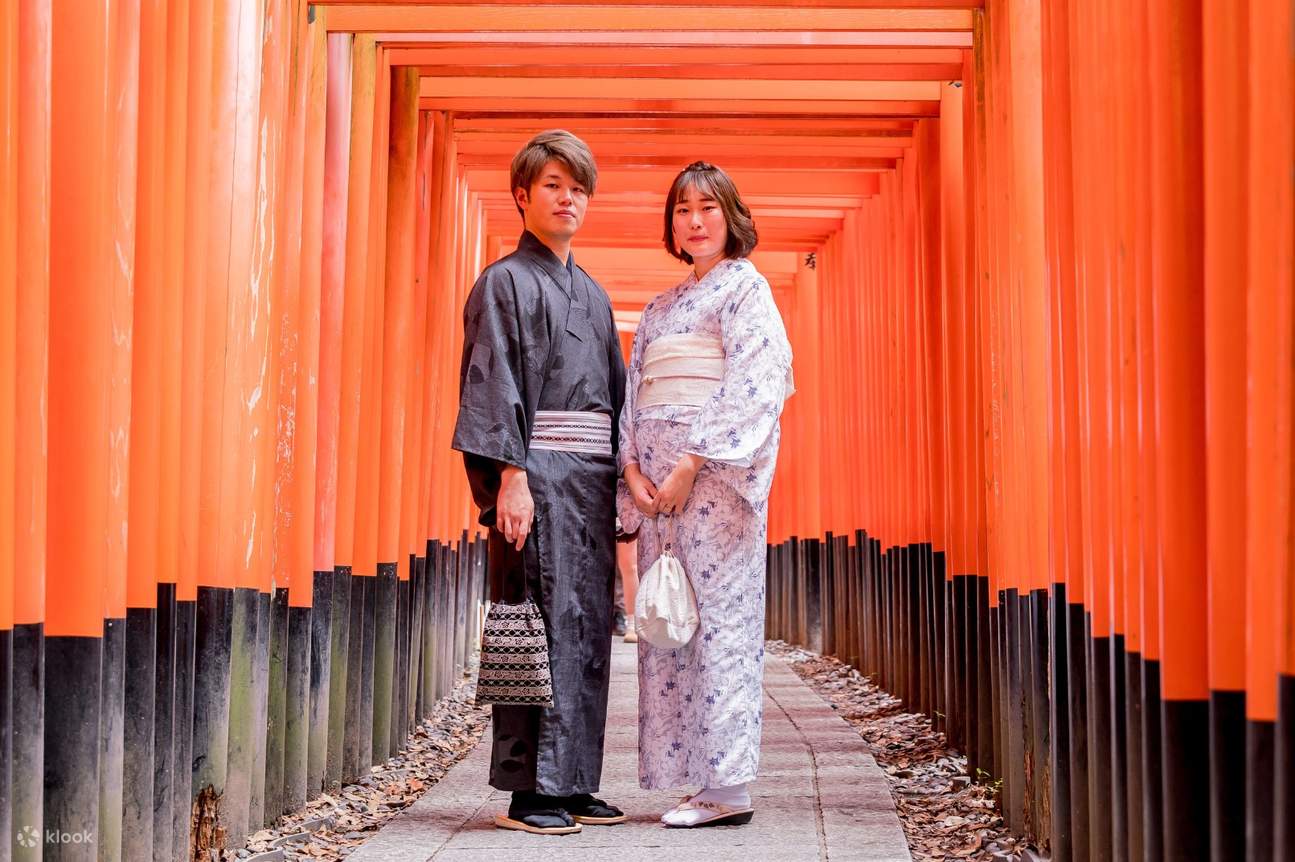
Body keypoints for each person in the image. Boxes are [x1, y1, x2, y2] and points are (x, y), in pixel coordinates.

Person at [453, 130, 628, 836]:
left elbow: (616, 399)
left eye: (578, 187)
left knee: (586, 629)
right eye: (553, 185)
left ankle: (576, 778)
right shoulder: (503, 282)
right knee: (532, 624)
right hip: (532, 475)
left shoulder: (591, 292)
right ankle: (530, 790)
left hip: (588, 483)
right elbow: (491, 384)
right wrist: (509, 480)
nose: (567, 198)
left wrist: (624, 486)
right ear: (522, 195)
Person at [617, 161, 794, 828]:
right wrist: (631, 468)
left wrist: (692, 461)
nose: (693, 220)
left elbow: (757, 381)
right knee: (669, 625)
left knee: (719, 620)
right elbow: (635, 394)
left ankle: (728, 786)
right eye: (682, 209)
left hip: (713, 483)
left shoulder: (745, 291)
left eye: (707, 208)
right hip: (659, 493)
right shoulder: (660, 307)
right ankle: (690, 777)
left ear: (731, 217)